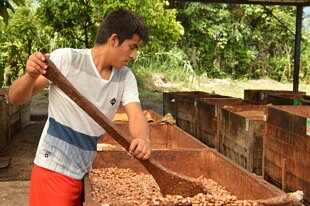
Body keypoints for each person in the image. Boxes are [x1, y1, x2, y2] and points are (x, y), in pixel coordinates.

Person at [8, 8, 151, 206]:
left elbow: (136, 115)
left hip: (84, 172)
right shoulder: (67, 60)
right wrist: (31, 75)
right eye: (132, 47)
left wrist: (142, 138)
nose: (134, 55)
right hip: (53, 170)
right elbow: (15, 97)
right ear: (114, 40)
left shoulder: (125, 77)